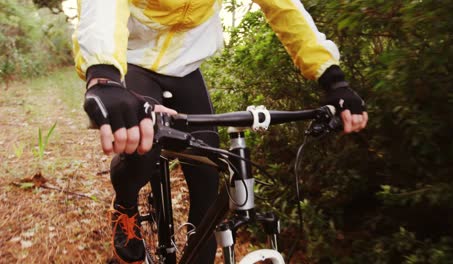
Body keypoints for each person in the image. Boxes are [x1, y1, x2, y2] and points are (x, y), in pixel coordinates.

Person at [73, 0, 368, 263]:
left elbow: (285, 8)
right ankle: (125, 204)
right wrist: (104, 74)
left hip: (184, 66)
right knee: (143, 149)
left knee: (208, 173)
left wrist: (333, 79)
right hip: (131, 59)